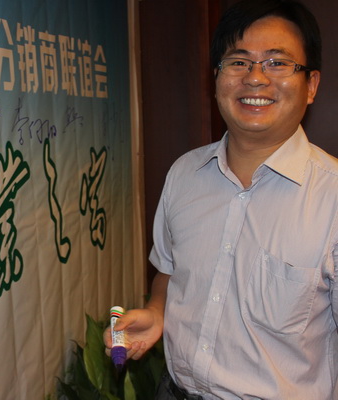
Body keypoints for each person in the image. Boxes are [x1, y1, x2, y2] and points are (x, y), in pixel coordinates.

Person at [105, 0, 338, 399]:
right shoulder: (184, 174)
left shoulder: (331, 197)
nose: (255, 78)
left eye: (277, 63)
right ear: (216, 77)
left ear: (311, 84)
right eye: (238, 62)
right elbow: (170, 272)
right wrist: (158, 311)